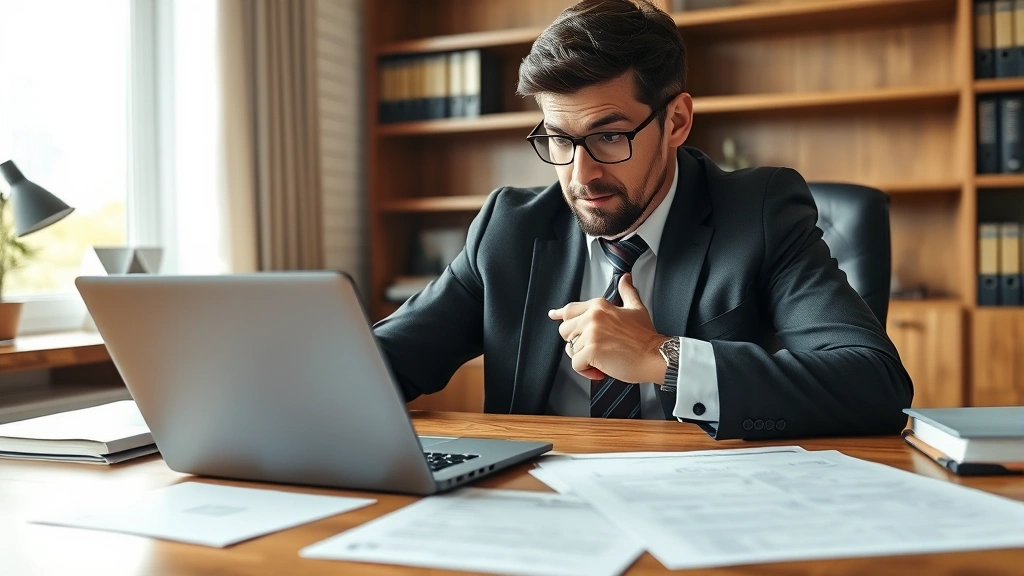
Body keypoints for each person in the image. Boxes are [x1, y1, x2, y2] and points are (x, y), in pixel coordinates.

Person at [373, 0, 913, 439]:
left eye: (610, 136)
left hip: (706, 509)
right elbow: (380, 363)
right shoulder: (510, 228)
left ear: (676, 121)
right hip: (541, 509)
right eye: (560, 138)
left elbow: (875, 383)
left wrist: (663, 357)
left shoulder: (760, 214)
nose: (581, 175)